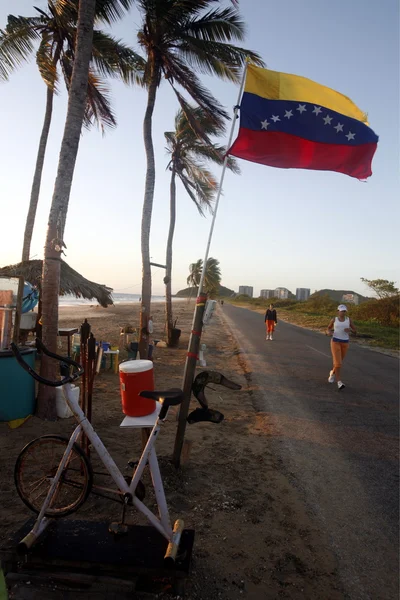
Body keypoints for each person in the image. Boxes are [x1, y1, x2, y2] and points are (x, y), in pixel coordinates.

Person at [326, 304, 356, 390]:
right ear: (337, 311)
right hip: (335, 341)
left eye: (344, 311)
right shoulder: (334, 320)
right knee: (338, 363)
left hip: (345, 343)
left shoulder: (348, 320)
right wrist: (329, 332)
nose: (343, 313)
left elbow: (355, 331)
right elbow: (328, 328)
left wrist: (350, 330)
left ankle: (332, 373)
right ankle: (339, 382)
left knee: (338, 362)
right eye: (341, 311)